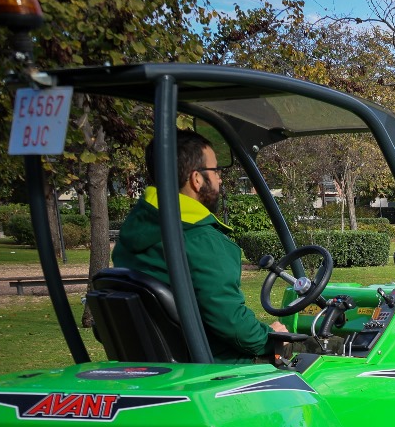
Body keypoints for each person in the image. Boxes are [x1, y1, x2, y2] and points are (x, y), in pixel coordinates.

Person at [113, 130, 283, 362]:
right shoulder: (201, 242)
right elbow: (233, 324)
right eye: (216, 171)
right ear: (196, 179)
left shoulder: (132, 235)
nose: (220, 179)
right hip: (217, 368)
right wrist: (272, 338)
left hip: (160, 363)